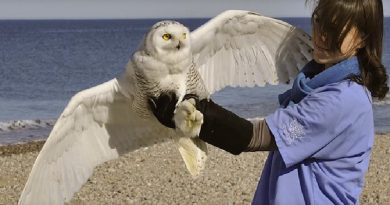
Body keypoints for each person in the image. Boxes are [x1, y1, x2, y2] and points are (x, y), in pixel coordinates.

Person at [148, 0, 389, 204]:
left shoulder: (342, 99)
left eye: (336, 29)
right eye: (319, 22)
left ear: (363, 37)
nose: (322, 35)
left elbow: (257, 136)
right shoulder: (325, 88)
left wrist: (193, 113)